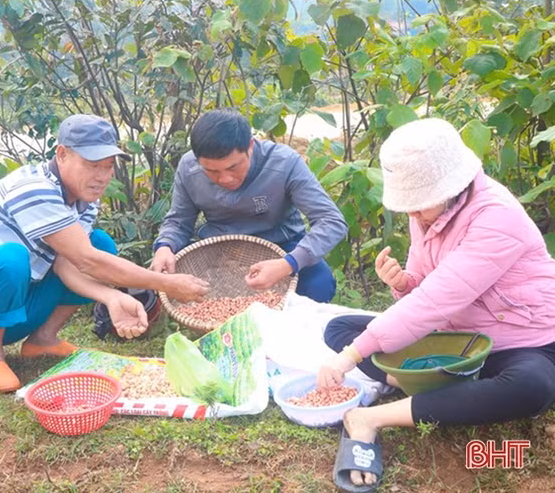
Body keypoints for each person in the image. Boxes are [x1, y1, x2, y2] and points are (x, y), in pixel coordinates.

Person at [318, 118, 555, 492]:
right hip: (457, 339)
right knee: (339, 328)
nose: (412, 215)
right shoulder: (430, 211)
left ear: (451, 186)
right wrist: (402, 283)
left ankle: (372, 418)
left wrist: (351, 355)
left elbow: (436, 301)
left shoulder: (497, 217)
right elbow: (423, 285)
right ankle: (442, 392)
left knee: (533, 387)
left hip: (523, 341)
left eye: (418, 205)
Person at [0, 114, 209, 393]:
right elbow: (86, 261)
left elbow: (67, 266)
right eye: (92, 165)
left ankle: (43, 339)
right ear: (62, 154)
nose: (102, 176)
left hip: (22, 303)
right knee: (11, 258)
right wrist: (168, 284)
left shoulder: (82, 198)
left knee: (100, 243)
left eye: (108, 166)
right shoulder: (33, 188)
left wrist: (112, 296)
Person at [150, 109, 348, 302]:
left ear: (250, 146)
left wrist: (288, 263)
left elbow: (331, 221)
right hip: (218, 249)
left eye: (233, 167)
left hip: (282, 245)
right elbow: (178, 222)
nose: (225, 179)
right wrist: (165, 246)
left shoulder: (284, 163)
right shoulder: (189, 168)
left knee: (319, 284)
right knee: (171, 281)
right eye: (212, 171)